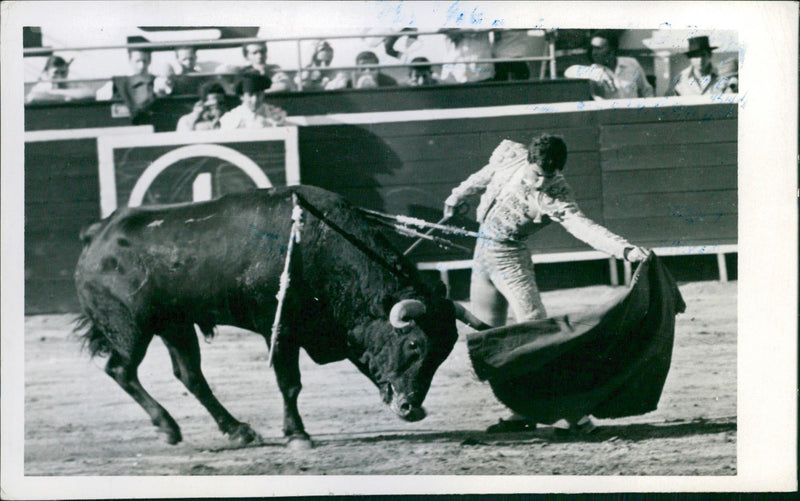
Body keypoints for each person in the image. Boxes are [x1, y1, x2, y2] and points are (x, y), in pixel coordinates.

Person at [443, 134, 649, 434]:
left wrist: (625, 250)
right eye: (538, 174)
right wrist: (456, 197)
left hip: (511, 263)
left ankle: (575, 417)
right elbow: (483, 176)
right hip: (481, 258)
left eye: (548, 176)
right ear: (528, 159)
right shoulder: (510, 156)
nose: (541, 183)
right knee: (491, 343)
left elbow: (583, 228)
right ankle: (521, 412)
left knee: (537, 336)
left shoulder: (557, 193)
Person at [564, 32, 654, 100]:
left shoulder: (631, 63)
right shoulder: (593, 70)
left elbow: (646, 91)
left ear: (612, 50)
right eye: (592, 48)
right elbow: (569, 71)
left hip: (634, 117)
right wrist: (597, 73)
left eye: (598, 48)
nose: (594, 52)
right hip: (609, 120)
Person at [665, 36, 736, 96]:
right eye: (696, 56)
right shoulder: (680, 80)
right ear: (690, 58)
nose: (700, 59)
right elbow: (667, 104)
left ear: (709, 55)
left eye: (703, 55)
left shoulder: (722, 76)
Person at [219, 73, 287, 129]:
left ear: (263, 95)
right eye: (250, 95)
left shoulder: (275, 114)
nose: (255, 99)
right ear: (242, 96)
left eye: (258, 95)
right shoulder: (230, 118)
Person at [226, 41, 294, 93]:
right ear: (246, 56)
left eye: (262, 52)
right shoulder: (243, 71)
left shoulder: (274, 69)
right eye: (255, 53)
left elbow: (285, 86)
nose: (260, 56)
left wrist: (256, 91)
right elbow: (236, 90)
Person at [25, 55, 93, 103]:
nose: (60, 76)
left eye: (63, 72)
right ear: (46, 73)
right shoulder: (42, 86)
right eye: (56, 72)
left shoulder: (72, 83)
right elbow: (32, 97)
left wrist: (59, 93)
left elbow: (90, 93)